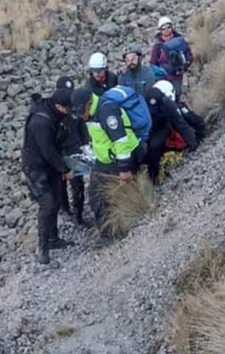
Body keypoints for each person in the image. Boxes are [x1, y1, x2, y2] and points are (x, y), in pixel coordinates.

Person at [71, 87, 147, 245]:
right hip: (104, 160)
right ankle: (108, 232)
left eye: (81, 111)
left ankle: (121, 229)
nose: (80, 116)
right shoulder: (91, 113)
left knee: (115, 195)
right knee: (95, 195)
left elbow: (120, 141)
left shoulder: (107, 111)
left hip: (120, 159)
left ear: (89, 102)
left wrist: (124, 169)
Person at [21, 88, 77, 264]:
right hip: (35, 166)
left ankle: (53, 239)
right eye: (69, 108)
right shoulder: (41, 122)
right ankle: (43, 249)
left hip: (49, 165)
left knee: (55, 201)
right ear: (60, 106)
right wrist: (65, 170)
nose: (70, 112)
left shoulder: (55, 113)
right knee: (47, 204)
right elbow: (48, 151)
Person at [144, 80, 198, 184]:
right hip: (147, 129)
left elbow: (181, 125)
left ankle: (153, 177)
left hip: (161, 128)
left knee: (155, 147)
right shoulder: (144, 103)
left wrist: (193, 145)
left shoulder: (168, 105)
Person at [55, 76, 88, 226]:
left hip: (75, 149)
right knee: (60, 182)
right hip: (60, 152)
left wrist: (85, 146)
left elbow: (82, 128)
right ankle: (64, 208)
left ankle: (78, 214)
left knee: (77, 183)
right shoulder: (54, 112)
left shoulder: (76, 108)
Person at [149, 16, 193, 101]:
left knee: (177, 96)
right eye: (163, 28)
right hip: (163, 78)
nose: (166, 29)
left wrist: (186, 64)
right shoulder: (158, 46)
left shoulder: (180, 41)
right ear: (160, 30)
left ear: (172, 27)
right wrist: (160, 72)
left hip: (177, 76)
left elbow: (189, 54)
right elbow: (153, 63)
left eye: (168, 27)